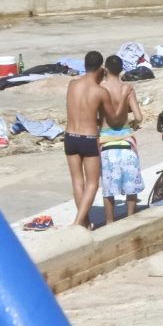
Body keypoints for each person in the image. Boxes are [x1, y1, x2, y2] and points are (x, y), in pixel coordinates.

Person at [64, 51, 129, 229]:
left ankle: (84, 223)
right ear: (101, 69)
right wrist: (123, 97)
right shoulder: (100, 92)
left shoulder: (72, 84)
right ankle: (77, 223)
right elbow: (114, 119)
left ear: (84, 66)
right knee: (92, 183)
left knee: (77, 181)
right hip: (89, 138)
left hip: (70, 137)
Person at [99, 55, 144, 224]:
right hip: (126, 140)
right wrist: (131, 122)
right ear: (121, 69)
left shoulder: (100, 89)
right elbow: (139, 117)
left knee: (109, 188)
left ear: (106, 69)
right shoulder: (127, 88)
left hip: (106, 142)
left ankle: (110, 221)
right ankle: (130, 217)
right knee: (131, 185)